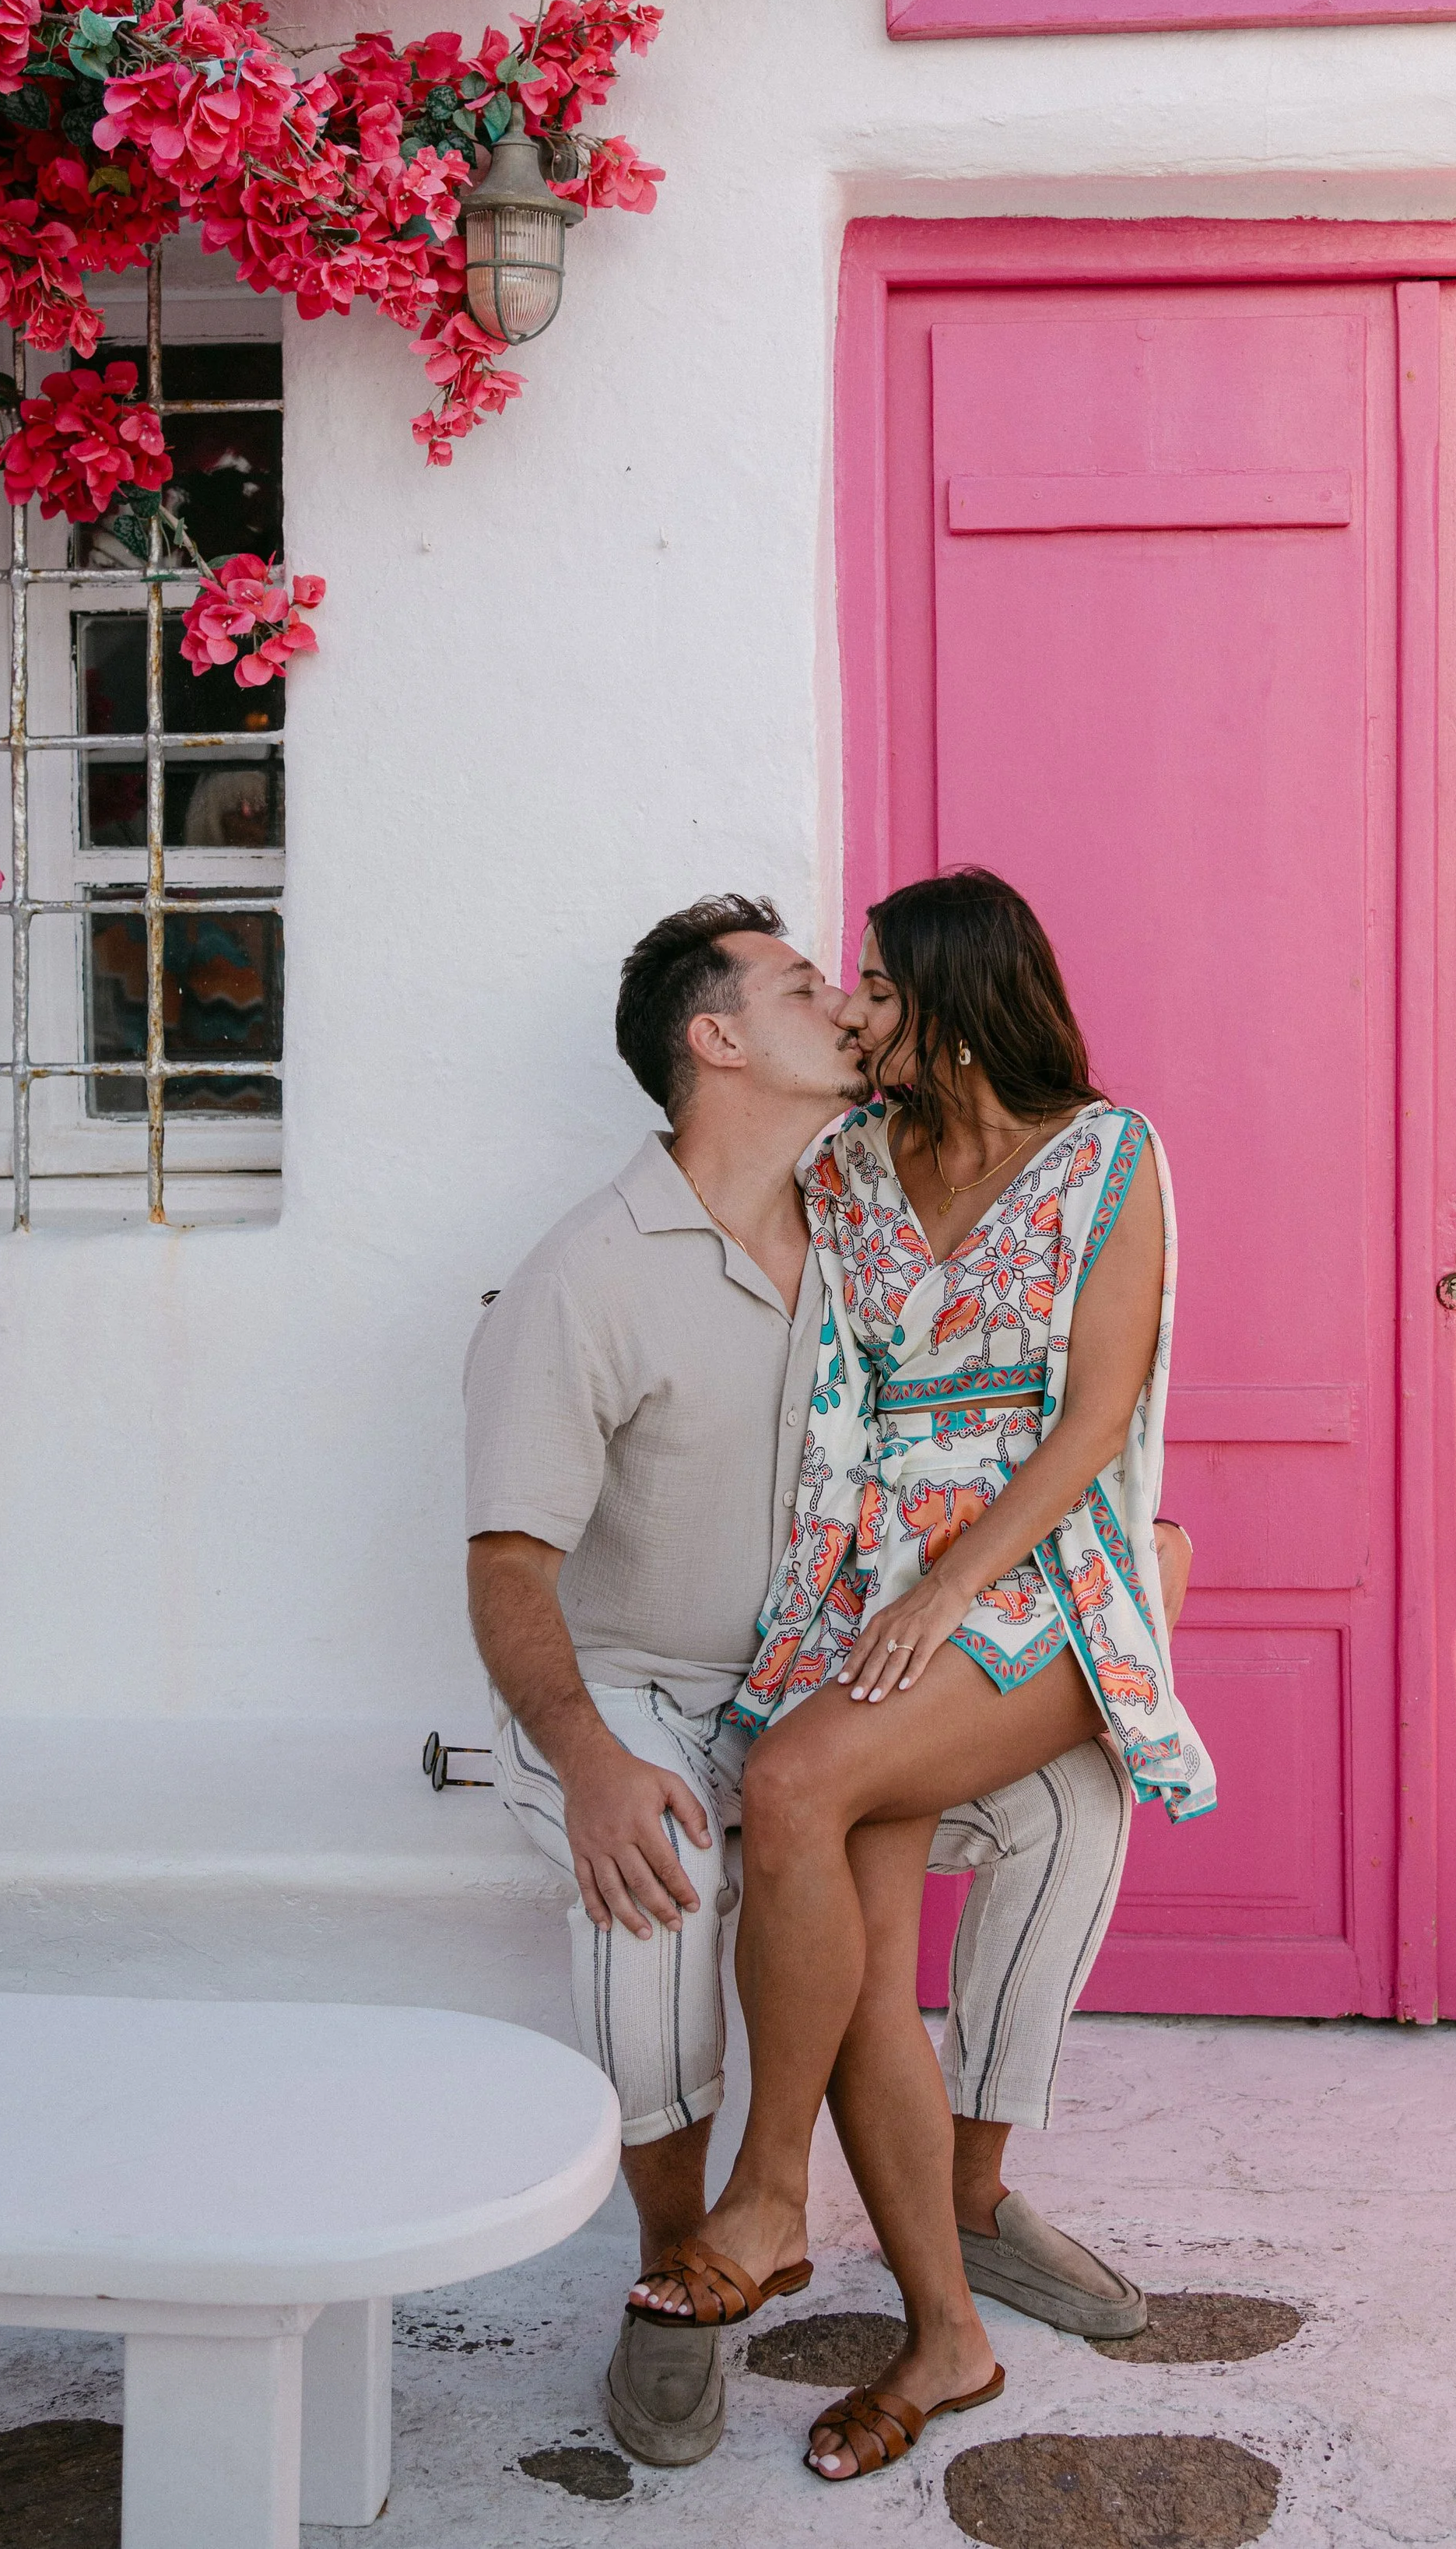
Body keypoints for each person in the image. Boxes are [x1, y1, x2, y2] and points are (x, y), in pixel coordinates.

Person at [464, 893, 1189, 2471]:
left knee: (794, 1780)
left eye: (869, 983)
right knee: (849, 1922)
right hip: (874, 1597)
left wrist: (947, 1583)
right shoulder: (850, 1165)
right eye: (828, 985)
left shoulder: (1104, 1157)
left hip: (1043, 1579)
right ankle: (945, 2339)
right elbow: (699, 1206)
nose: (851, 1009)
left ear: (955, 990)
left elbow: (1094, 1423)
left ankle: (774, 2189)